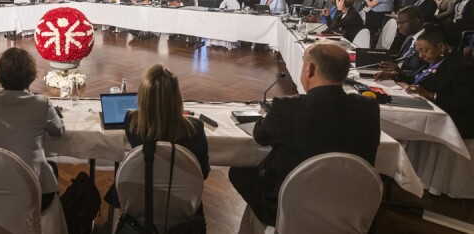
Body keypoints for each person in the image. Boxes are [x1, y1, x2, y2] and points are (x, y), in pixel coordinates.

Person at [229, 43, 380, 226]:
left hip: (284, 209)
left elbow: (260, 136)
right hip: (349, 207)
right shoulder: (369, 108)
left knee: (239, 168)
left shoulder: (287, 108)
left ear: (309, 69)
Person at [106, 64, 210, 208]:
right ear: (177, 96)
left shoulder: (132, 122)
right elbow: (203, 173)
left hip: (141, 200)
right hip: (180, 206)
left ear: (142, 97)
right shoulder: (196, 128)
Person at [0, 48, 64, 211]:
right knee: (51, 169)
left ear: (0, 75)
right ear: (31, 75)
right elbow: (58, 130)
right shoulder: (41, 103)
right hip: (33, 192)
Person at [399, 31, 474, 138]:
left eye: (424, 51)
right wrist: (395, 75)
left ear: (441, 46)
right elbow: (419, 79)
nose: (421, 56)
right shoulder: (437, 60)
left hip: (451, 127)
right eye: (418, 52)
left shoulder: (461, 67)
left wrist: (431, 95)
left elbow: (467, 103)